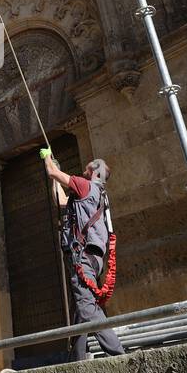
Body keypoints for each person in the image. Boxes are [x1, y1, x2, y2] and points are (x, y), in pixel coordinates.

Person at [42, 150, 126, 361]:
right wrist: (56, 175)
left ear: (95, 172)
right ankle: (76, 358)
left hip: (82, 257)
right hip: (93, 258)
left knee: (87, 308)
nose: (84, 170)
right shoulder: (97, 195)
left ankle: (118, 354)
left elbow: (52, 172)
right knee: (82, 307)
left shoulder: (84, 185)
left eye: (88, 167)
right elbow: (62, 202)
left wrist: (47, 158)